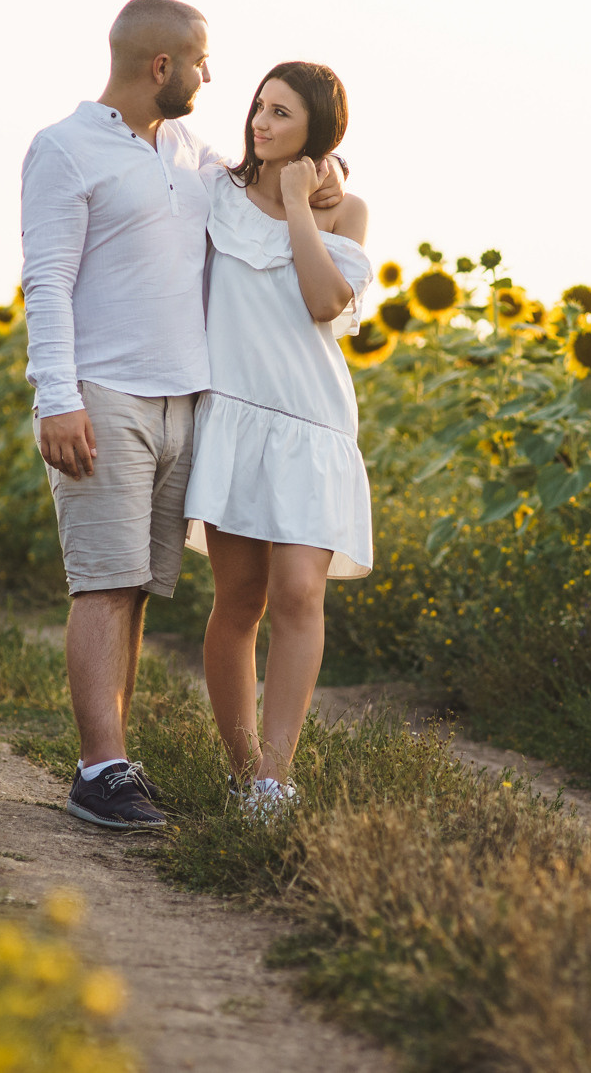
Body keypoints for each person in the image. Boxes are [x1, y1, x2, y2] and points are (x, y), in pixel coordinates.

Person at [19, 0, 344, 830]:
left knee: (136, 586)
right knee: (102, 580)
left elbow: (272, 196)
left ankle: (116, 761)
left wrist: (324, 177)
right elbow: (47, 280)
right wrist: (57, 398)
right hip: (103, 392)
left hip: (189, 403)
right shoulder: (64, 149)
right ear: (162, 67)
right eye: (202, 61)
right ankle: (99, 769)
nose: (212, 77)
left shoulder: (194, 155)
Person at [184, 62, 371, 815]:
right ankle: (240, 768)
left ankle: (274, 773)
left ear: (316, 132)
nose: (260, 122)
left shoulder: (344, 208)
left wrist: (299, 203)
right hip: (234, 416)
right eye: (259, 106)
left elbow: (328, 300)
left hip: (312, 422)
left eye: (281, 114)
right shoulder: (215, 195)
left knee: (300, 592)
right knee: (239, 601)